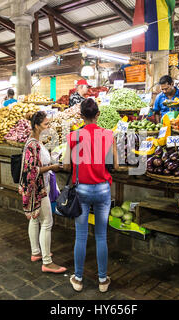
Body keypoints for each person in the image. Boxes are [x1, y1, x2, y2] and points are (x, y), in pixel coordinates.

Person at [63, 98, 119, 293]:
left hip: (82, 190)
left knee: (81, 236)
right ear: (98, 115)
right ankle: (103, 280)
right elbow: (116, 165)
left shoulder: (73, 136)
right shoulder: (108, 134)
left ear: (81, 116)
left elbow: (67, 166)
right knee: (101, 236)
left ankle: (78, 279)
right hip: (103, 189)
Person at [19, 111, 67, 274]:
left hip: (38, 187)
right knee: (47, 222)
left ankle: (36, 252)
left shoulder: (36, 142)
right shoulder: (32, 144)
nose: (49, 127)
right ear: (37, 125)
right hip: (39, 189)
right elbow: (32, 170)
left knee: (35, 219)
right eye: (46, 124)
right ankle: (47, 262)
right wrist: (52, 168)